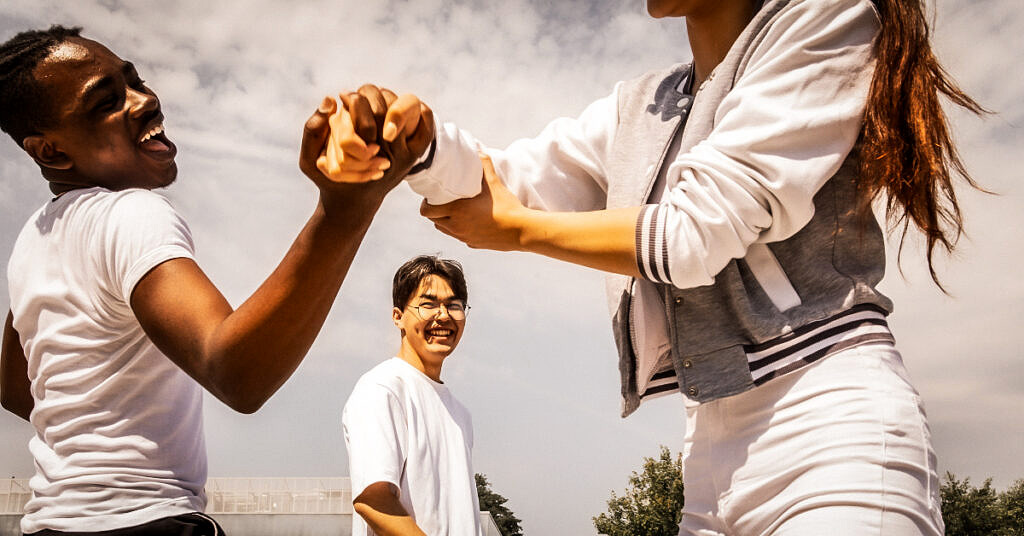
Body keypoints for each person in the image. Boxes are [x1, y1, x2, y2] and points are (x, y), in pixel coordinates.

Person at [322, 0, 985, 533]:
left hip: (831, 428)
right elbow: (510, 178)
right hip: (709, 457)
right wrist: (416, 143)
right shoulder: (641, 105)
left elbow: (696, 231)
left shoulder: (828, 18)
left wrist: (520, 231)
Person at [0, 25, 432, 535]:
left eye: (133, 79)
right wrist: (343, 212)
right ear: (51, 153)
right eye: (105, 103)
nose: (144, 101)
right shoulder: (131, 215)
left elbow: (17, 388)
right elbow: (235, 374)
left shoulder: (35, 237)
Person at [342, 255, 481, 536]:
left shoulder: (459, 413)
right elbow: (373, 500)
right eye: (428, 304)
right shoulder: (383, 388)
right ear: (398, 317)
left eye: (453, 305)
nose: (443, 315)